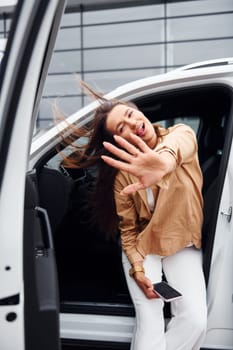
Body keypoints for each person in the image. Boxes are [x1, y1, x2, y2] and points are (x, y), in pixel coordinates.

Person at [59, 82, 207, 350]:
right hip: (143, 246)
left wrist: (161, 164)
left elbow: (173, 150)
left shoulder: (181, 134)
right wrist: (138, 269)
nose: (131, 126)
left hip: (181, 241)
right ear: (117, 141)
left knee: (195, 321)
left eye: (129, 116)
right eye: (121, 129)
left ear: (138, 112)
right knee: (150, 323)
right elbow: (128, 230)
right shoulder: (122, 176)